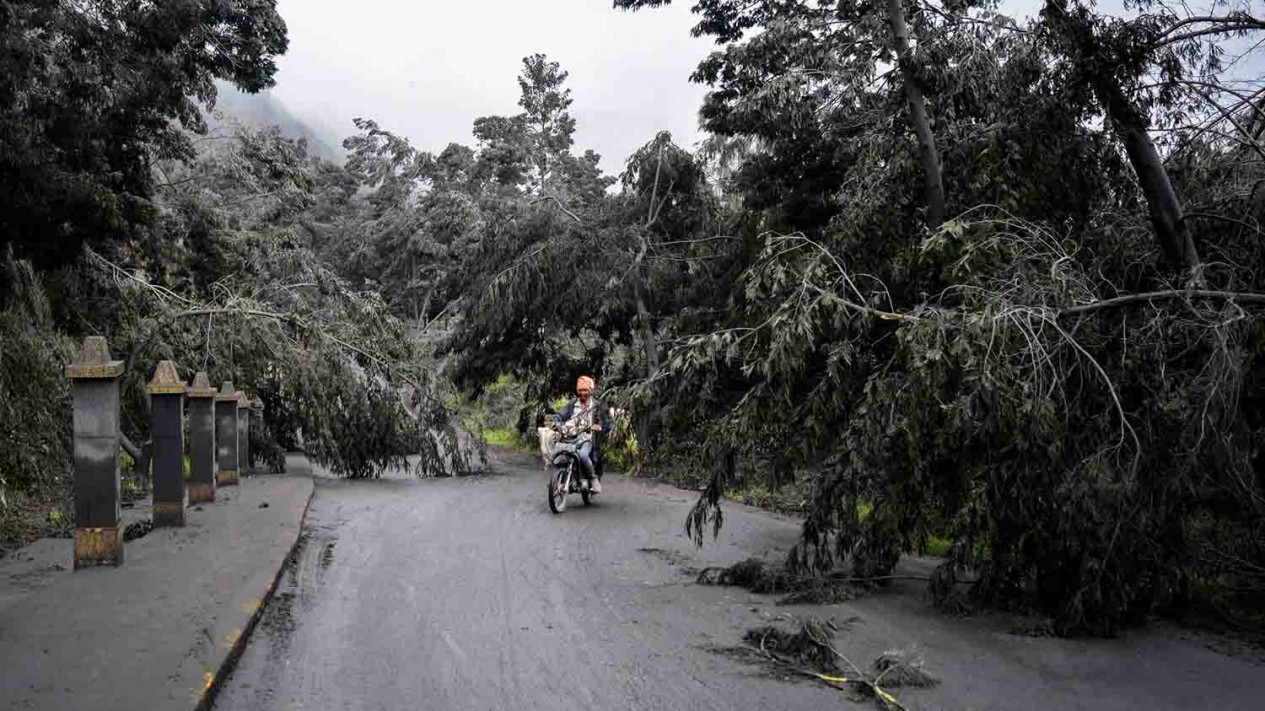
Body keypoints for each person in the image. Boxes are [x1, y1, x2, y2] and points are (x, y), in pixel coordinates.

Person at [553, 375, 612, 493]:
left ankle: (593, 478)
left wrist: (600, 427)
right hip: (570, 438)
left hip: (587, 440)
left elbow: (608, 423)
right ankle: (558, 480)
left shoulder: (597, 407)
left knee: (583, 456)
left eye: (585, 390)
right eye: (580, 391)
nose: (582, 393)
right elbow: (560, 415)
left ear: (590, 391)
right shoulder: (572, 404)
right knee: (558, 452)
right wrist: (556, 423)